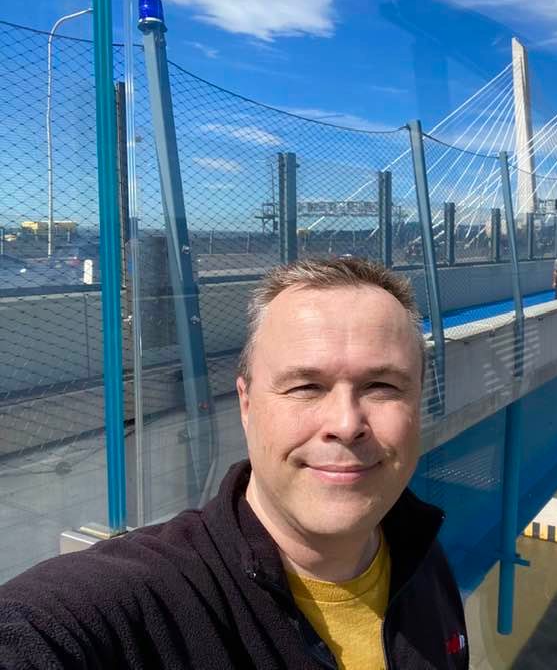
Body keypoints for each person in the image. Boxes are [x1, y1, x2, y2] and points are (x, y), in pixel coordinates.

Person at [0, 258, 468, 669]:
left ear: (419, 402)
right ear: (245, 404)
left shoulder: (423, 554)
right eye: (305, 386)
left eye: (383, 386)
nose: (346, 424)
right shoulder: (137, 602)